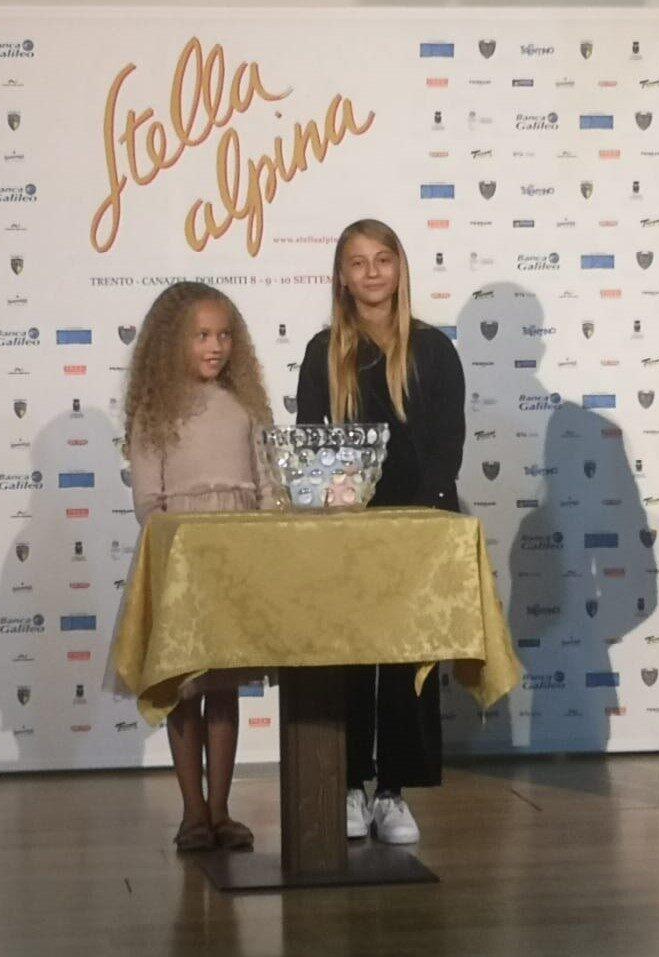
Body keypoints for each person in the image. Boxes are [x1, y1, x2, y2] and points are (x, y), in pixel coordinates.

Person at [296, 218, 466, 845]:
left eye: (382, 259)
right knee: (347, 660)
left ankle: (393, 791)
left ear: (400, 268)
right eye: (358, 262)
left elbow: (447, 446)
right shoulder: (323, 351)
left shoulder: (434, 350)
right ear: (341, 277)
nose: (371, 272)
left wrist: (421, 520)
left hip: (415, 529)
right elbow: (312, 444)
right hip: (346, 531)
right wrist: (338, 514)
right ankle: (347, 784)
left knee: (403, 662)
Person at [119, 281, 277, 852]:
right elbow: (149, 502)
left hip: (234, 567)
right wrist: (179, 554)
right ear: (172, 342)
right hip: (182, 568)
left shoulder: (246, 407)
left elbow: (267, 485)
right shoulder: (155, 411)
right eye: (202, 335)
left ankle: (221, 809)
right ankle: (192, 812)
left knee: (224, 690)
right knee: (185, 690)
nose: (215, 346)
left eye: (224, 335)